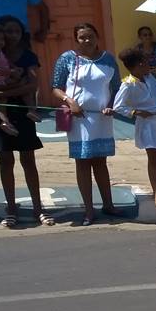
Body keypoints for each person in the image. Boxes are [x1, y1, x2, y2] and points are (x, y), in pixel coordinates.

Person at [51, 23, 122, 225]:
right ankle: (89, 210)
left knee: (100, 162)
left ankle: (108, 204)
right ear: (76, 39)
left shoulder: (108, 59)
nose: (87, 40)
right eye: (82, 37)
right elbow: (56, 87)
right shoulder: (67, 58)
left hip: (102, 119)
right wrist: (69, 101)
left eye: (90, 36)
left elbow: (116, 87)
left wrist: (111, 105)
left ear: (97, 37)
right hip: (78, 119)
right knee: (82, 162)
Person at [0, 16, 51, 226]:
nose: (12, 36)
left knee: (28, 160)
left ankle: (38, 208)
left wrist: (5, 92)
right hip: (1, 113)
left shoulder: (28, 56)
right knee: (5, 160)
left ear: (22, 34)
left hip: (23, 111)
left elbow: (32, 85)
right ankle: (11, 208)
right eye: (8, 31)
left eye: (16, 31)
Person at [114, 47, 156, 209]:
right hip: (147, 125)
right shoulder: (128, 84)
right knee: (153, 157)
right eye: (147, 63)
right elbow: (118, 106)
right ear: (139, 65)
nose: (149, 66)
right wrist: (136, 112)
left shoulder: (150, 78)